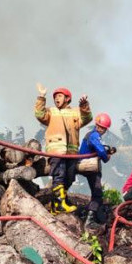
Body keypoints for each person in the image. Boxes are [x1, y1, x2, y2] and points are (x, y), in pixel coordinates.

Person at [35, 83, 92, 214]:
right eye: (55, 96)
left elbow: (87, 118)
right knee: (59, 176)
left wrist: (84, 106)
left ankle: (56, 204)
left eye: (59, 96)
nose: (56, 98)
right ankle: (60, 205)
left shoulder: (75, 113)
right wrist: (41, 96)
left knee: (70, 177)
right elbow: (39, 114)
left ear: (67, 98)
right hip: (56, 151)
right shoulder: (51, 112)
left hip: (71, 152)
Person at [78, 112, 116, 228]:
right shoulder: (94, 135)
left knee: (96, 194)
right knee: (97, 194)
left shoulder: (92, 135)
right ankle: (89, 222)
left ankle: (86, 214)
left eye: (102, 128)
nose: (100, 129)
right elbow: (100, 150)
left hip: (87, 165)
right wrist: (106, 157)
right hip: (89, 166)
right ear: (96, 125)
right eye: (99, 127)